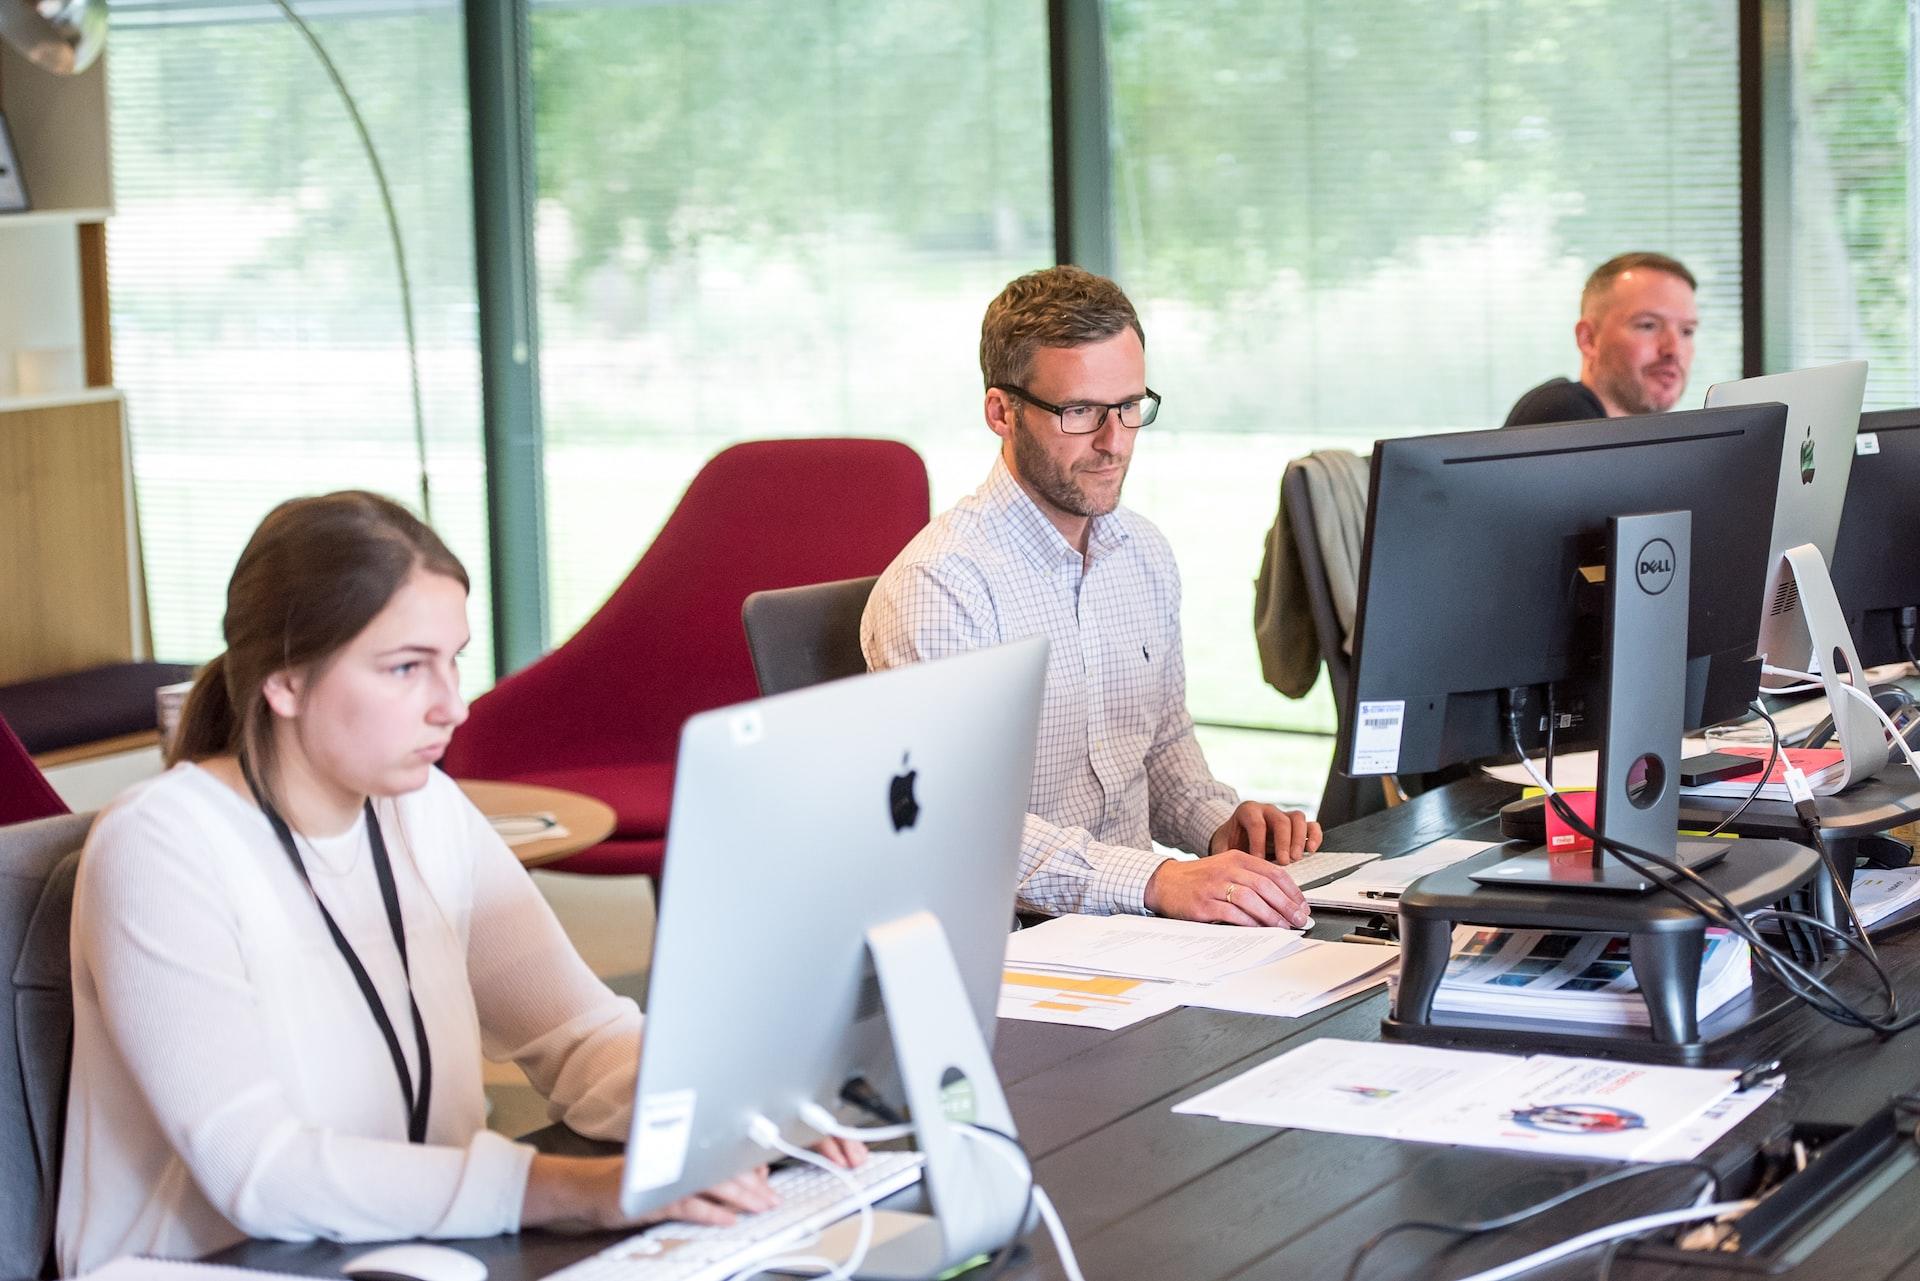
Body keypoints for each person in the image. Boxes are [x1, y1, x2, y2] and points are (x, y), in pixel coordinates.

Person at [58, 492, 860, 1273]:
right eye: (406, 668)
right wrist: (578, 1190)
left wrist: (742, 1113)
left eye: (454, 662)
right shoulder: (161, 846)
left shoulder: (423, 809)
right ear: (285, 681)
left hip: (417, 1250)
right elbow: (263, 1174)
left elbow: (580, 1036)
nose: (452, 706)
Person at [862, 265, 1321, 927]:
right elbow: (963, 826)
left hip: (1138, 935)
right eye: (1080, 411)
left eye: (1130, 407)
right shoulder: (941, 587)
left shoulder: (1143, 553)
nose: (1115, 442)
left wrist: (1224, 829)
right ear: (1002, 411)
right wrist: (1160, 879)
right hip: (1017, 951)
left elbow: (1160, 747)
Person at [1504, 252, 1699, 427]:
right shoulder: (1561, 415)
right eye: (1648, 325)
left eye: (1687, 331)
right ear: (1588, 339)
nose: (1673, 350)